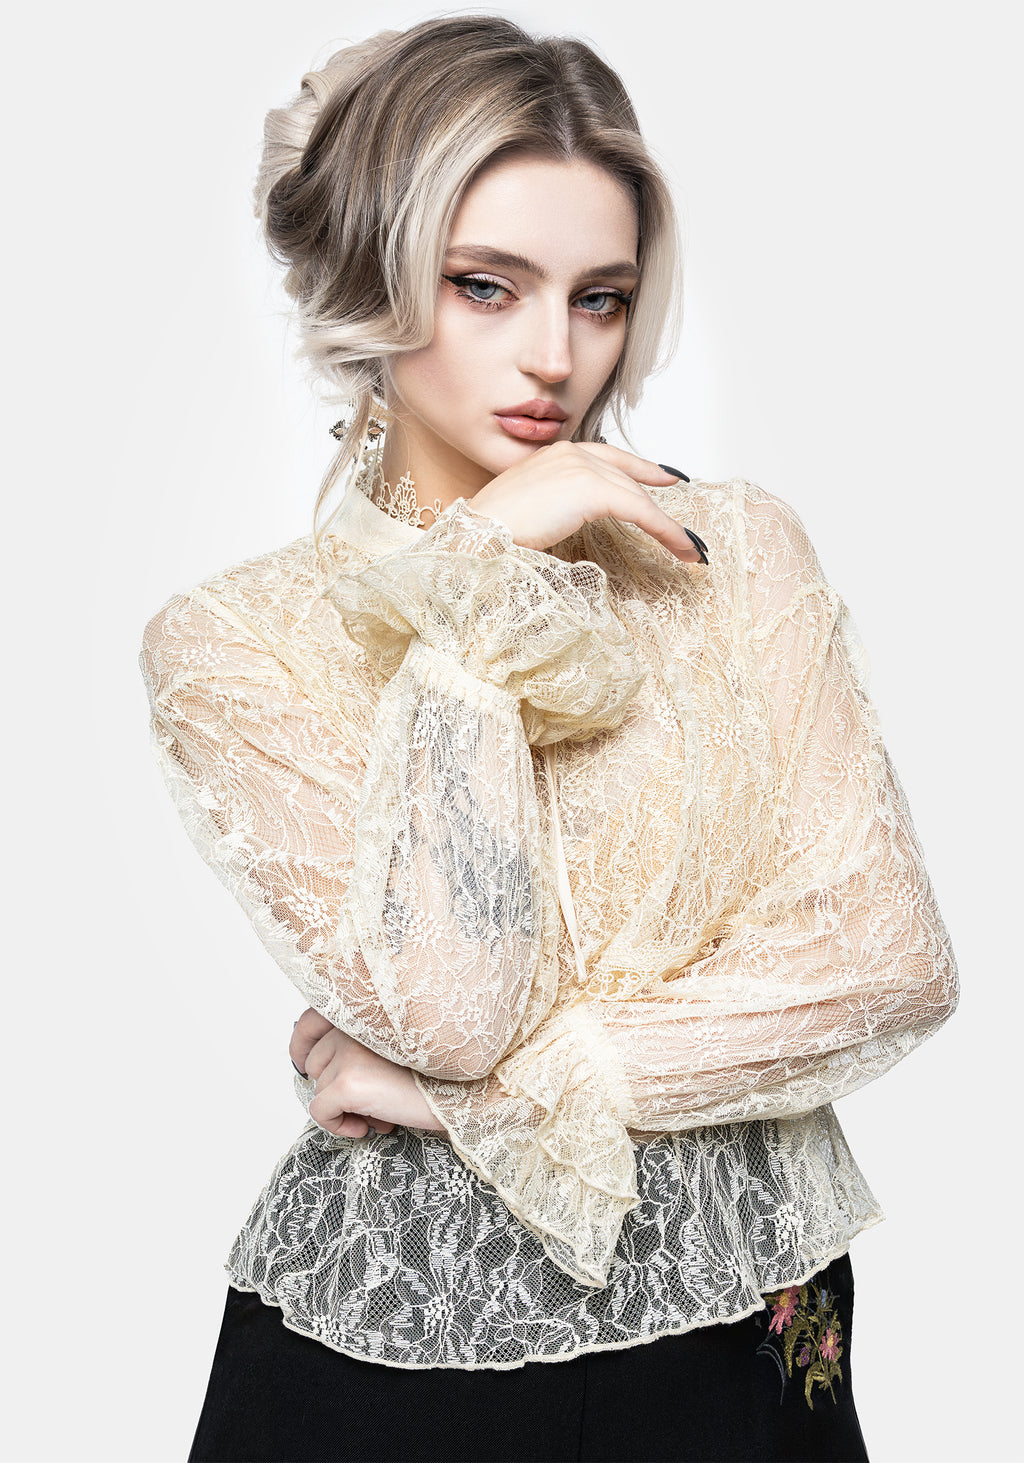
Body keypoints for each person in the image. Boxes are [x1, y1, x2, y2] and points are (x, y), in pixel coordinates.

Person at [138, 14, 959, 1462]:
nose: (554, 357)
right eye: (485, 286)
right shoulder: (236, 643)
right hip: (395, 1358)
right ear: (368, 277)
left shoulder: (734, 555)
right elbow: (456, 1005)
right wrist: (472, 603)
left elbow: (884, 964)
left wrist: (471, 1100)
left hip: (745, 1332)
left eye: (601, 298)